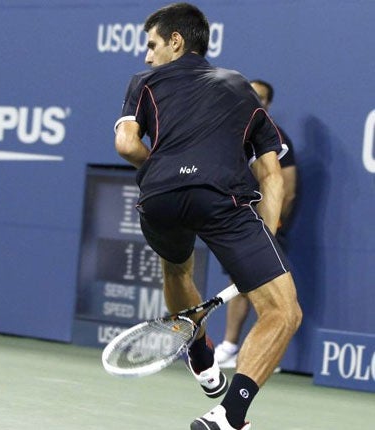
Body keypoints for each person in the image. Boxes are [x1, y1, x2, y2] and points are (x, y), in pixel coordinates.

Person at [113, 3, 302, 430]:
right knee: (283, 311)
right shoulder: (238, 85)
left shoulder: (142, 82)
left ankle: (199, 354)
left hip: (158, 199)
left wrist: (158, 171)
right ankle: (230, 416)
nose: (146, 56)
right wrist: (264, 246)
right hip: (221, 198)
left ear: (176, 41)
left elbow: (127, 144)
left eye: (152, 44)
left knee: (177, 270)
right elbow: (272, 175)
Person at [214, 80, 298, 369]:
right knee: (239, 285)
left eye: (259, 98)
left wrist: (269, 228)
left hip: (265, 229)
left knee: (271, 294)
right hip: (241, 226)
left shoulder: (276, 137)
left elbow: (287, 188)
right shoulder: (231, 134)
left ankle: (266, 351)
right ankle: (229, 346)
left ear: (268, 104)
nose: (253, 101)